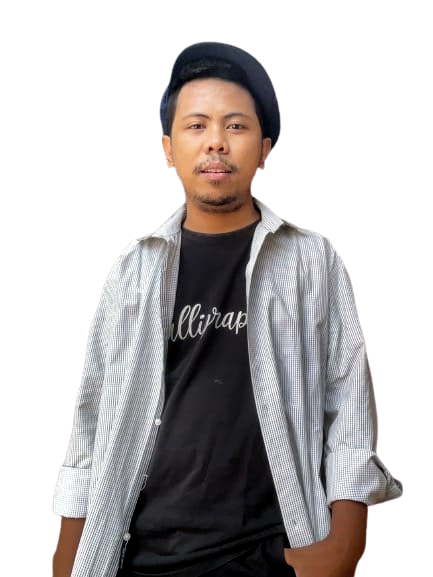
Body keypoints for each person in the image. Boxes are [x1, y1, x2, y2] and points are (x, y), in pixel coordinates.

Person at [52, 41, 403, 577]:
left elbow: (349, 404)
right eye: (197, 126)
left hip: (275, 554)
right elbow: (91, 421)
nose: (216, 141)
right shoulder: (133, 268)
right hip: (141, 557)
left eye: (235, 126)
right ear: (168, 150)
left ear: (263, 149)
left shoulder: (312, 260)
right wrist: (67, 560)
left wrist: (341, 550)